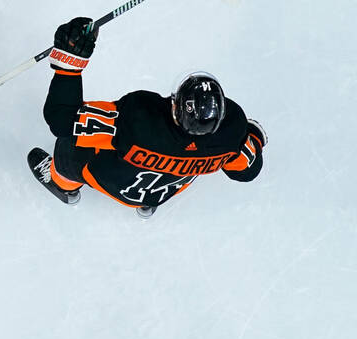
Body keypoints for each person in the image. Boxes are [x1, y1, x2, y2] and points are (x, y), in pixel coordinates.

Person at [28, 17, 266, 218]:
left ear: (175, 108)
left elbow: (62, 121)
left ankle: (63, 187)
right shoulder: (231, 137)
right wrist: (253, 136)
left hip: (116, 184)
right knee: (171, 169)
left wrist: (69, 65)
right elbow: (246, 171)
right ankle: (146, 205)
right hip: (160, 192)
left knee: (69, 146)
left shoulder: (138, 123)